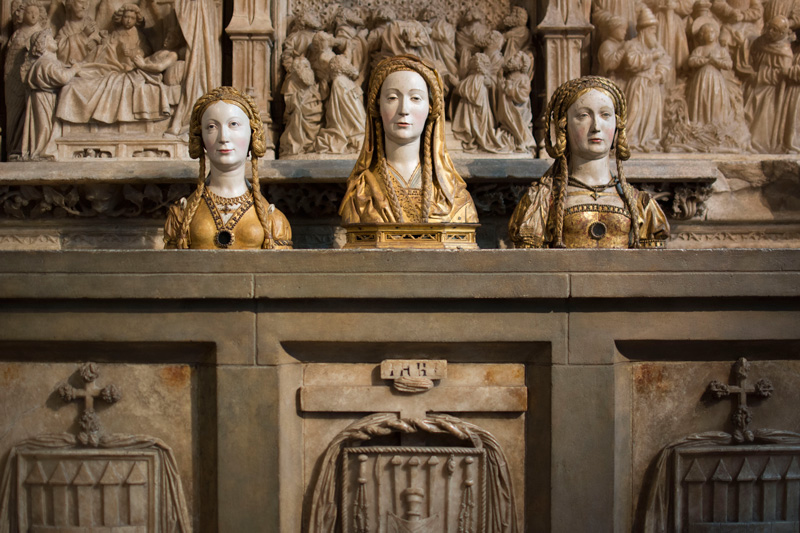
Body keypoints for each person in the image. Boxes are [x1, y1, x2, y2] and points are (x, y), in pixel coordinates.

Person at [508, 76, 670, 248]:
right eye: (583, 115)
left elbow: (652, 271)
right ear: (564, 126)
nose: (596, 127)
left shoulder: (641, 204)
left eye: (605, 115)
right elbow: (531, 269)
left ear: (618, 124)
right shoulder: (540, 202)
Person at [339, 55, 477, 225]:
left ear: (431, 108)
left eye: (415, 98)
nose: (404, 109)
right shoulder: (361, 192)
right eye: (392, 98)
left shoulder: (455, 197)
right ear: (377, 106)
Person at [164, 87, 292, 249]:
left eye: (233, 124)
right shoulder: (181, 216)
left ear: (253, 134)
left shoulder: (273, 220)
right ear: (200, 137)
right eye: (211, 127)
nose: (223, 137)